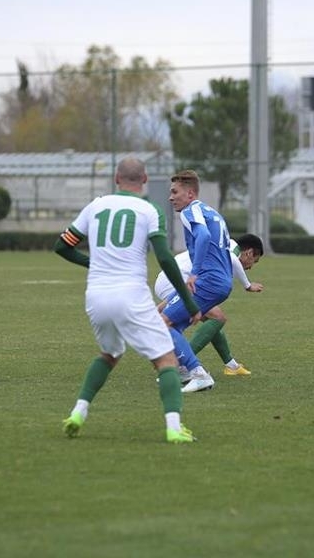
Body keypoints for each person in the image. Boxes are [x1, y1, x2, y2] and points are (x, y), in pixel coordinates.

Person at [54, 157, 202, 444]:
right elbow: (164, 258)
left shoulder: (96, 206)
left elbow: (62, 246)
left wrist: (94, 264)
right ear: (145, 180)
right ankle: (174, 427)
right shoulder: (149, 209)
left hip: (96, 296)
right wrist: (188, 300)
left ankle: (77, 414)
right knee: (166, 359)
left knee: (109, 354)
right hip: (131, 294)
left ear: (116, 178)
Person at [162, 169, 233, 393]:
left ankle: (198, 373)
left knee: (161, 322)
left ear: (190, 194)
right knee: (174, 325)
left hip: (208, 280)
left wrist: (194, 273)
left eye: (175, 192)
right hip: (221, 281)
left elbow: (203, 236)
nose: (171, 197)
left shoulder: (189, 211)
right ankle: (184, 369)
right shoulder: (210, 212)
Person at [154, 233, 264, 378]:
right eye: (254, 261)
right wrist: (247, 285)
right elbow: (232, 259)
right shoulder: (231, 252)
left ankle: (231, 365)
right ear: (249, 253)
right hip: (174, 281)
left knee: (213, 321)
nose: (250, 267)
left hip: (174, 279)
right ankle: (184, 364)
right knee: (217, 318)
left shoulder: (228, 245)